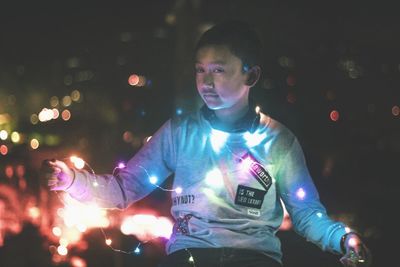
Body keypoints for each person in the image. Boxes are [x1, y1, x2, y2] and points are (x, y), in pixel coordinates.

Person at [42, 20, 371, 267]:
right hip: (189, 257)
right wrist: (73, 181)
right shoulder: (180, 133)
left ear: (251, 76)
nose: (207, 82)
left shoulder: (277, 141)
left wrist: (343, 238)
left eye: (219, 70)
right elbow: (126, 188)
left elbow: (305, 214)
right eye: (200, 71)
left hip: (255, 260)